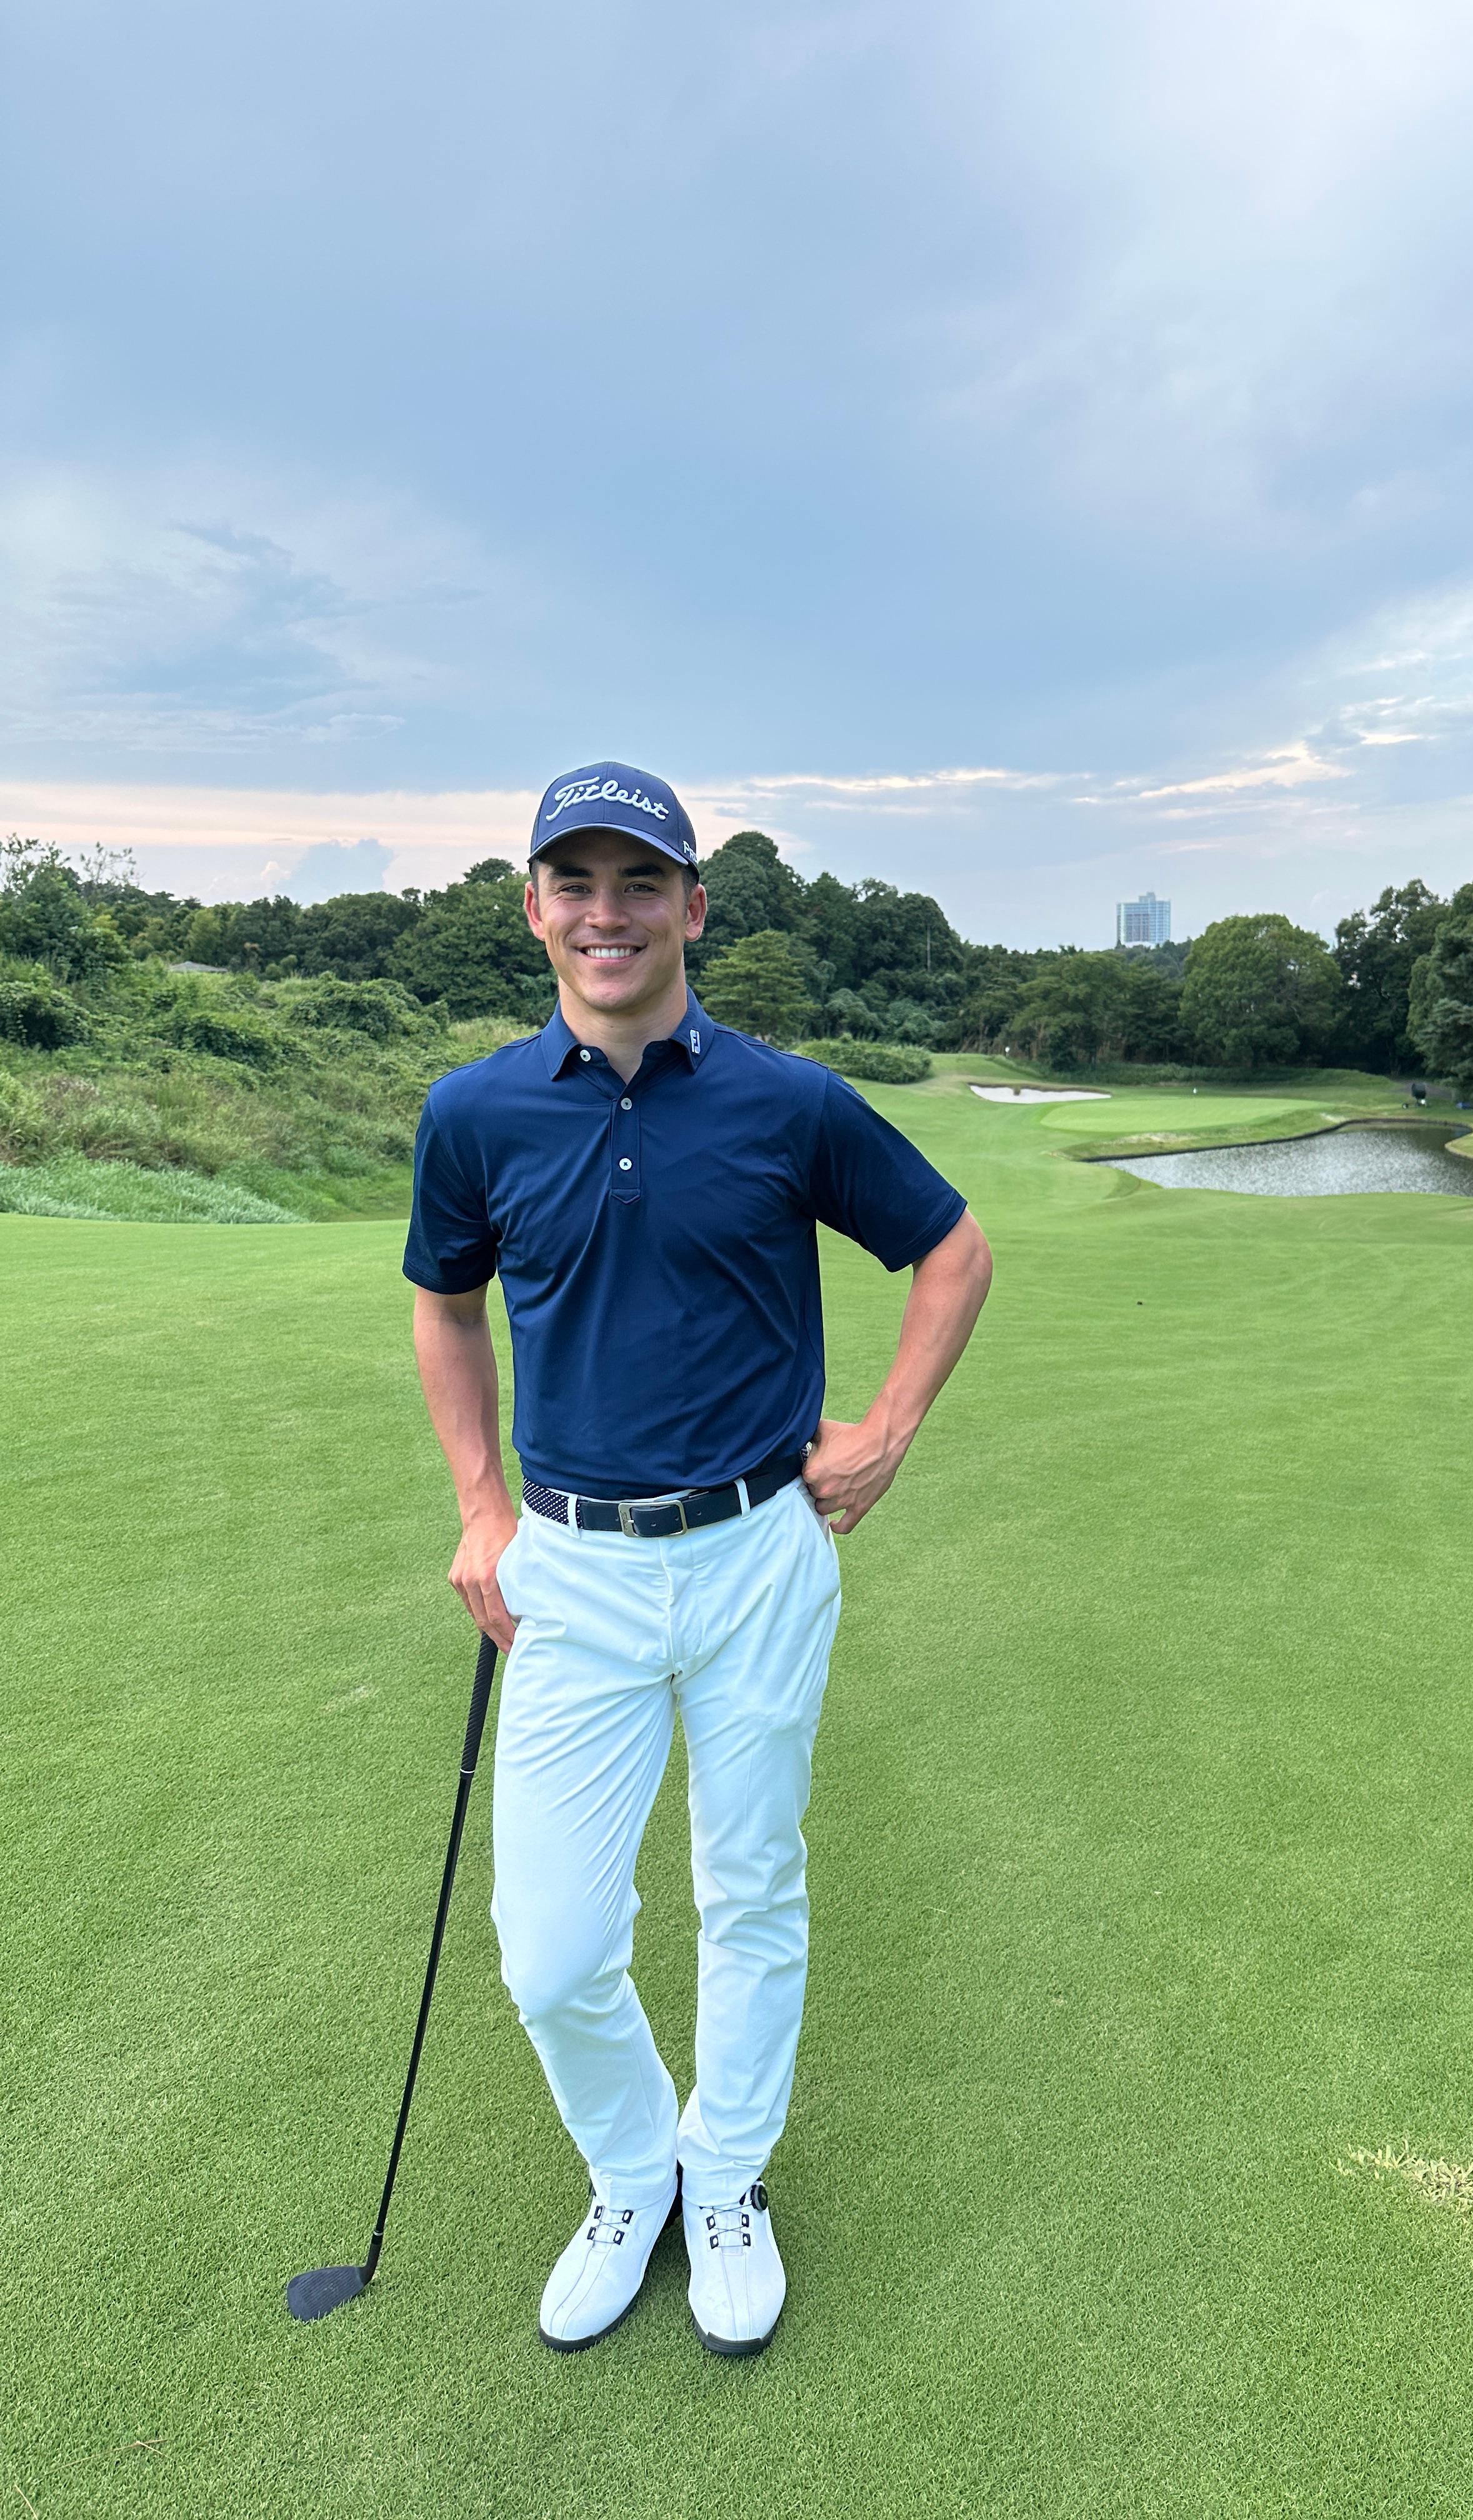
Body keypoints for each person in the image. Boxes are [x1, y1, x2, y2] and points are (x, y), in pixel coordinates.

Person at [402, 761, 991, 2357]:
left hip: (756, 1553)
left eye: (639, 882)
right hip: (575, 1571)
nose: (609, 914)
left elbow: (952, 1247)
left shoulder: (787, 1100)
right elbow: (446, 1305)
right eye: (575, 884)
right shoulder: (474, 1113)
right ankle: (631, 2170)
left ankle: (723, 2178)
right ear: (533, 910)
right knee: (555, 1951)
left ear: (690, 908)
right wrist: (478, 1502)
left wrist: (884, 1429)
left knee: (751, 1888)